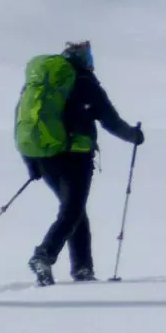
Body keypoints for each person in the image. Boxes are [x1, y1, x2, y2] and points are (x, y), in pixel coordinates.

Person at [26, 41, 143, 285]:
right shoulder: (85, 83)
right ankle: (44, 255)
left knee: (74, 210)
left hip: (43, 156)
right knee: (73, 210)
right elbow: (110, 120)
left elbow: (26, 123)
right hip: (75, 157)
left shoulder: (42, 83)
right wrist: (133, 136)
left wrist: (31, 161)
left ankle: (82, 270)